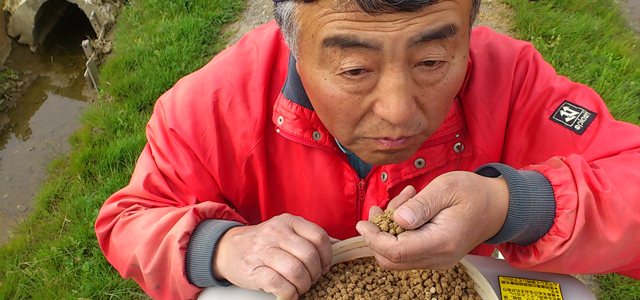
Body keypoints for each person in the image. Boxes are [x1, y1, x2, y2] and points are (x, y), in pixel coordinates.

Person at [94, 0, 640, 299]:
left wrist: (511, 205)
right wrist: (223, 247)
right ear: (290, 43)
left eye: (431, 62)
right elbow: (129, 220)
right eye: (355, 70)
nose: (399, 110)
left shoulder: (512, 78)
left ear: (470, 31)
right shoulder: (212, 102)